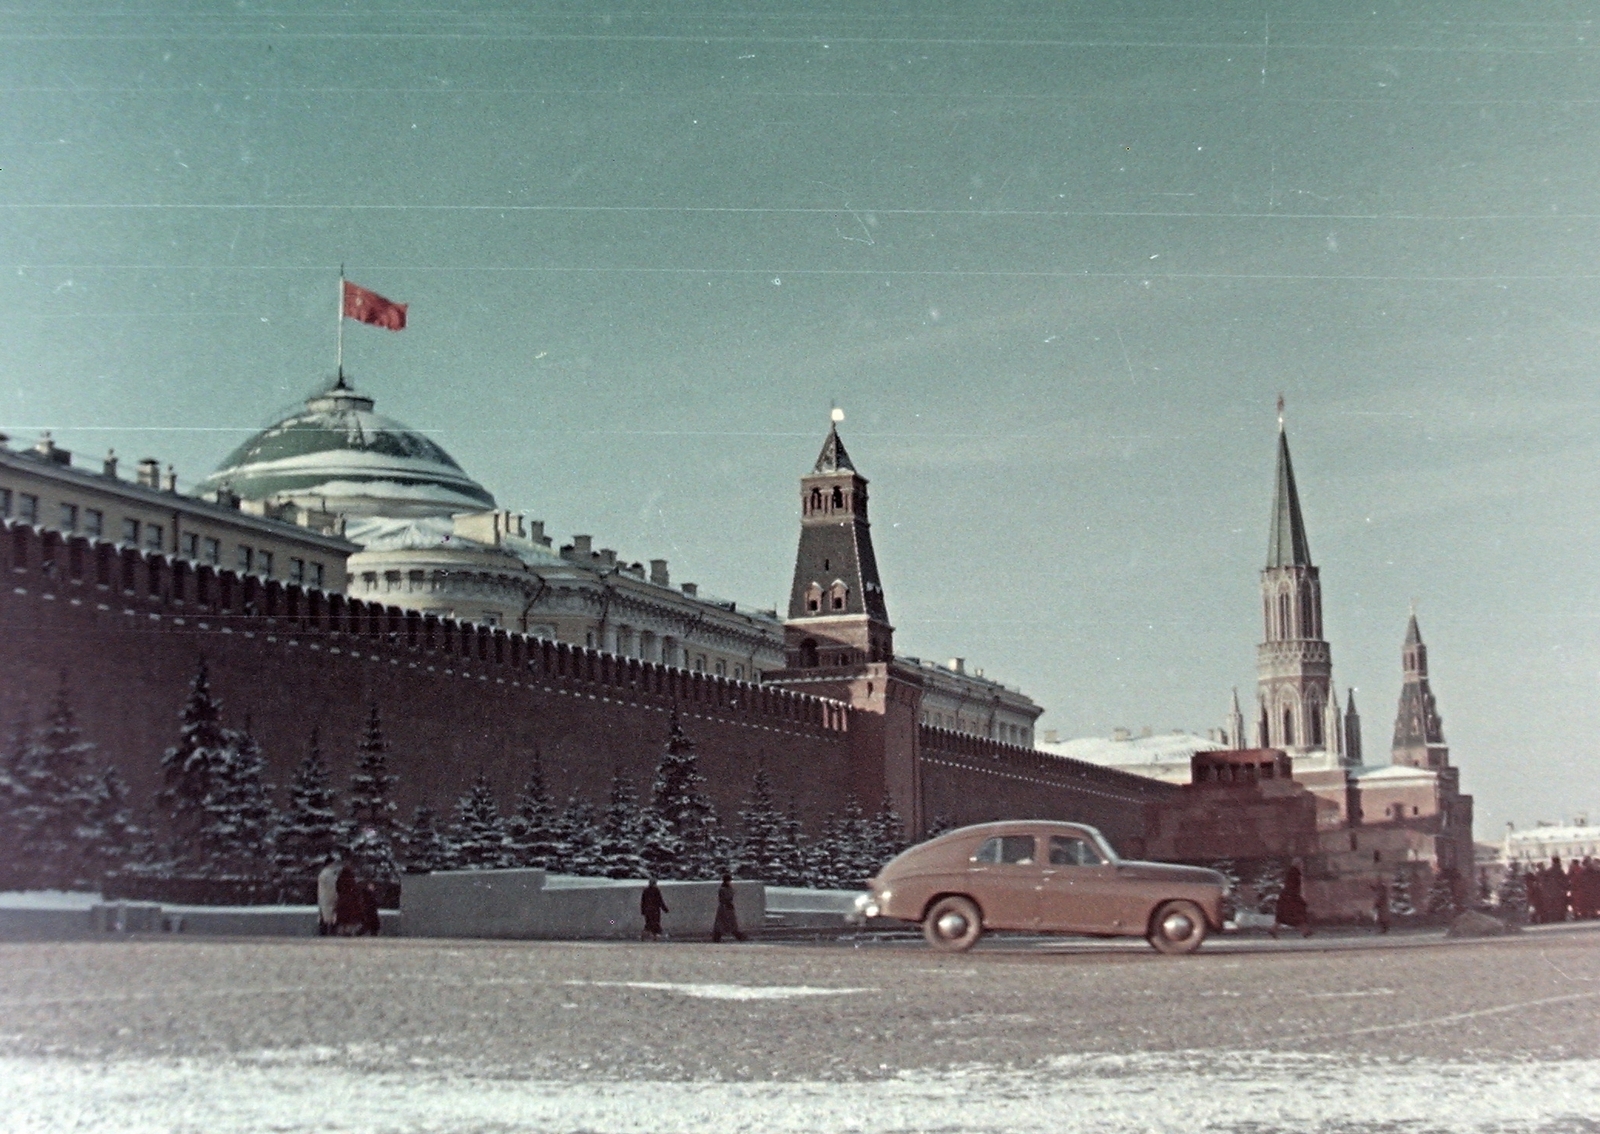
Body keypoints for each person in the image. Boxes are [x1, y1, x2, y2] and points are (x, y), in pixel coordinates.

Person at [1269, 861, 1312, 939]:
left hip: (1288, 897)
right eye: (1301, 864)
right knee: (1298, 914)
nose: (1302, 866)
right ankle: (1305, 931)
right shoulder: (1294, 873)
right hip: (1291, 898)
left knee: (1284, 916)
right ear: (1298, 865)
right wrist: (1296, 897)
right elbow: (1292, 886)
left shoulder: (1293, 872)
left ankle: (1273, 930)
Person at [711, 872, 747, 942]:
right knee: (728, 923)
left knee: (723, 924)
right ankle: (738, 936)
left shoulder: (724, 888)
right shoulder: (724, 889)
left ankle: (717, 937)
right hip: (726, 908)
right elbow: (726, 898)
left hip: (725, 907)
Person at [316, 860, 343, 936]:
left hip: (323, 898)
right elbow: (333, 887)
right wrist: (336, 896)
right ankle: (329, 932)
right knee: (330, 917)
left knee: (324, 916)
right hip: (329, 898)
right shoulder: (330, 874)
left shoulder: (323, 874)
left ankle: (323, 932)